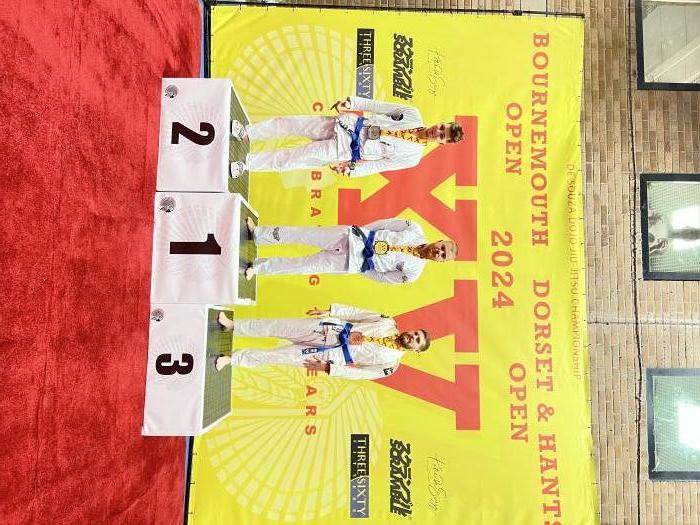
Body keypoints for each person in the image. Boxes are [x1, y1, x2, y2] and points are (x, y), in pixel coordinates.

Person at [228, 95, 464, 178]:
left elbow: (378, 166)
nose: (437, 131)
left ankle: (246, 165)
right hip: (346, 124)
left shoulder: (412, 157)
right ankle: (247, 132)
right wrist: (352, 103)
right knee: (290, 123)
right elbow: (379, 106)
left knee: (292, 159)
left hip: (345, 150)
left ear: (442, 143)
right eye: (442, 127)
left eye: (442, 135)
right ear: (441, 122)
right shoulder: (413, 114)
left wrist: (351, 170)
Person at [214, 304, 430, 380]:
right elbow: (358, 313)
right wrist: (331, 311)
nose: (413, 337)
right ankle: (234, 325)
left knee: (277, 356)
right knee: (277, 325)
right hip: (330, 329)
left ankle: (232, 359)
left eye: (417, 341)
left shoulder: (390, 365)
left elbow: (359, 374)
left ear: (416, 350)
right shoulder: (388, 322)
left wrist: (329, 368)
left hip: (329, 356)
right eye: (415, 333)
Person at [240, 216, 457, 283]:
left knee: (303, 266)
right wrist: (362, 232)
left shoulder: (413, 272)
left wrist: (362, 268)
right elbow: (385, 224)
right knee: (304, 234)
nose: (438, 252)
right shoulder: (414, 229)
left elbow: (382, 278)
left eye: (442, 256)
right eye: (442, 248)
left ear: (441, 262)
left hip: (352, 263)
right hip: (354, 237)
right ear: (439, 240)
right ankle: (259, 233)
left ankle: (258, 268)